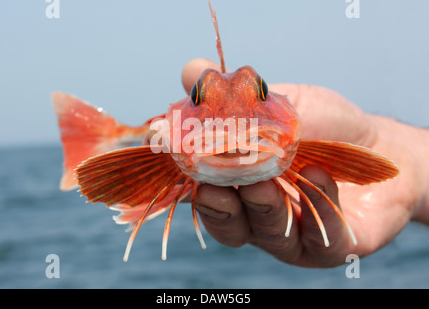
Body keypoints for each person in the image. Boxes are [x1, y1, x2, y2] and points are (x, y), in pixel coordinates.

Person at [180, 58, 429, 268]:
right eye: (200, 97)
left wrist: (407, 159)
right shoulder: (172, 146)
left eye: (260, 94)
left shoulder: (297, 142)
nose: (232, 124)